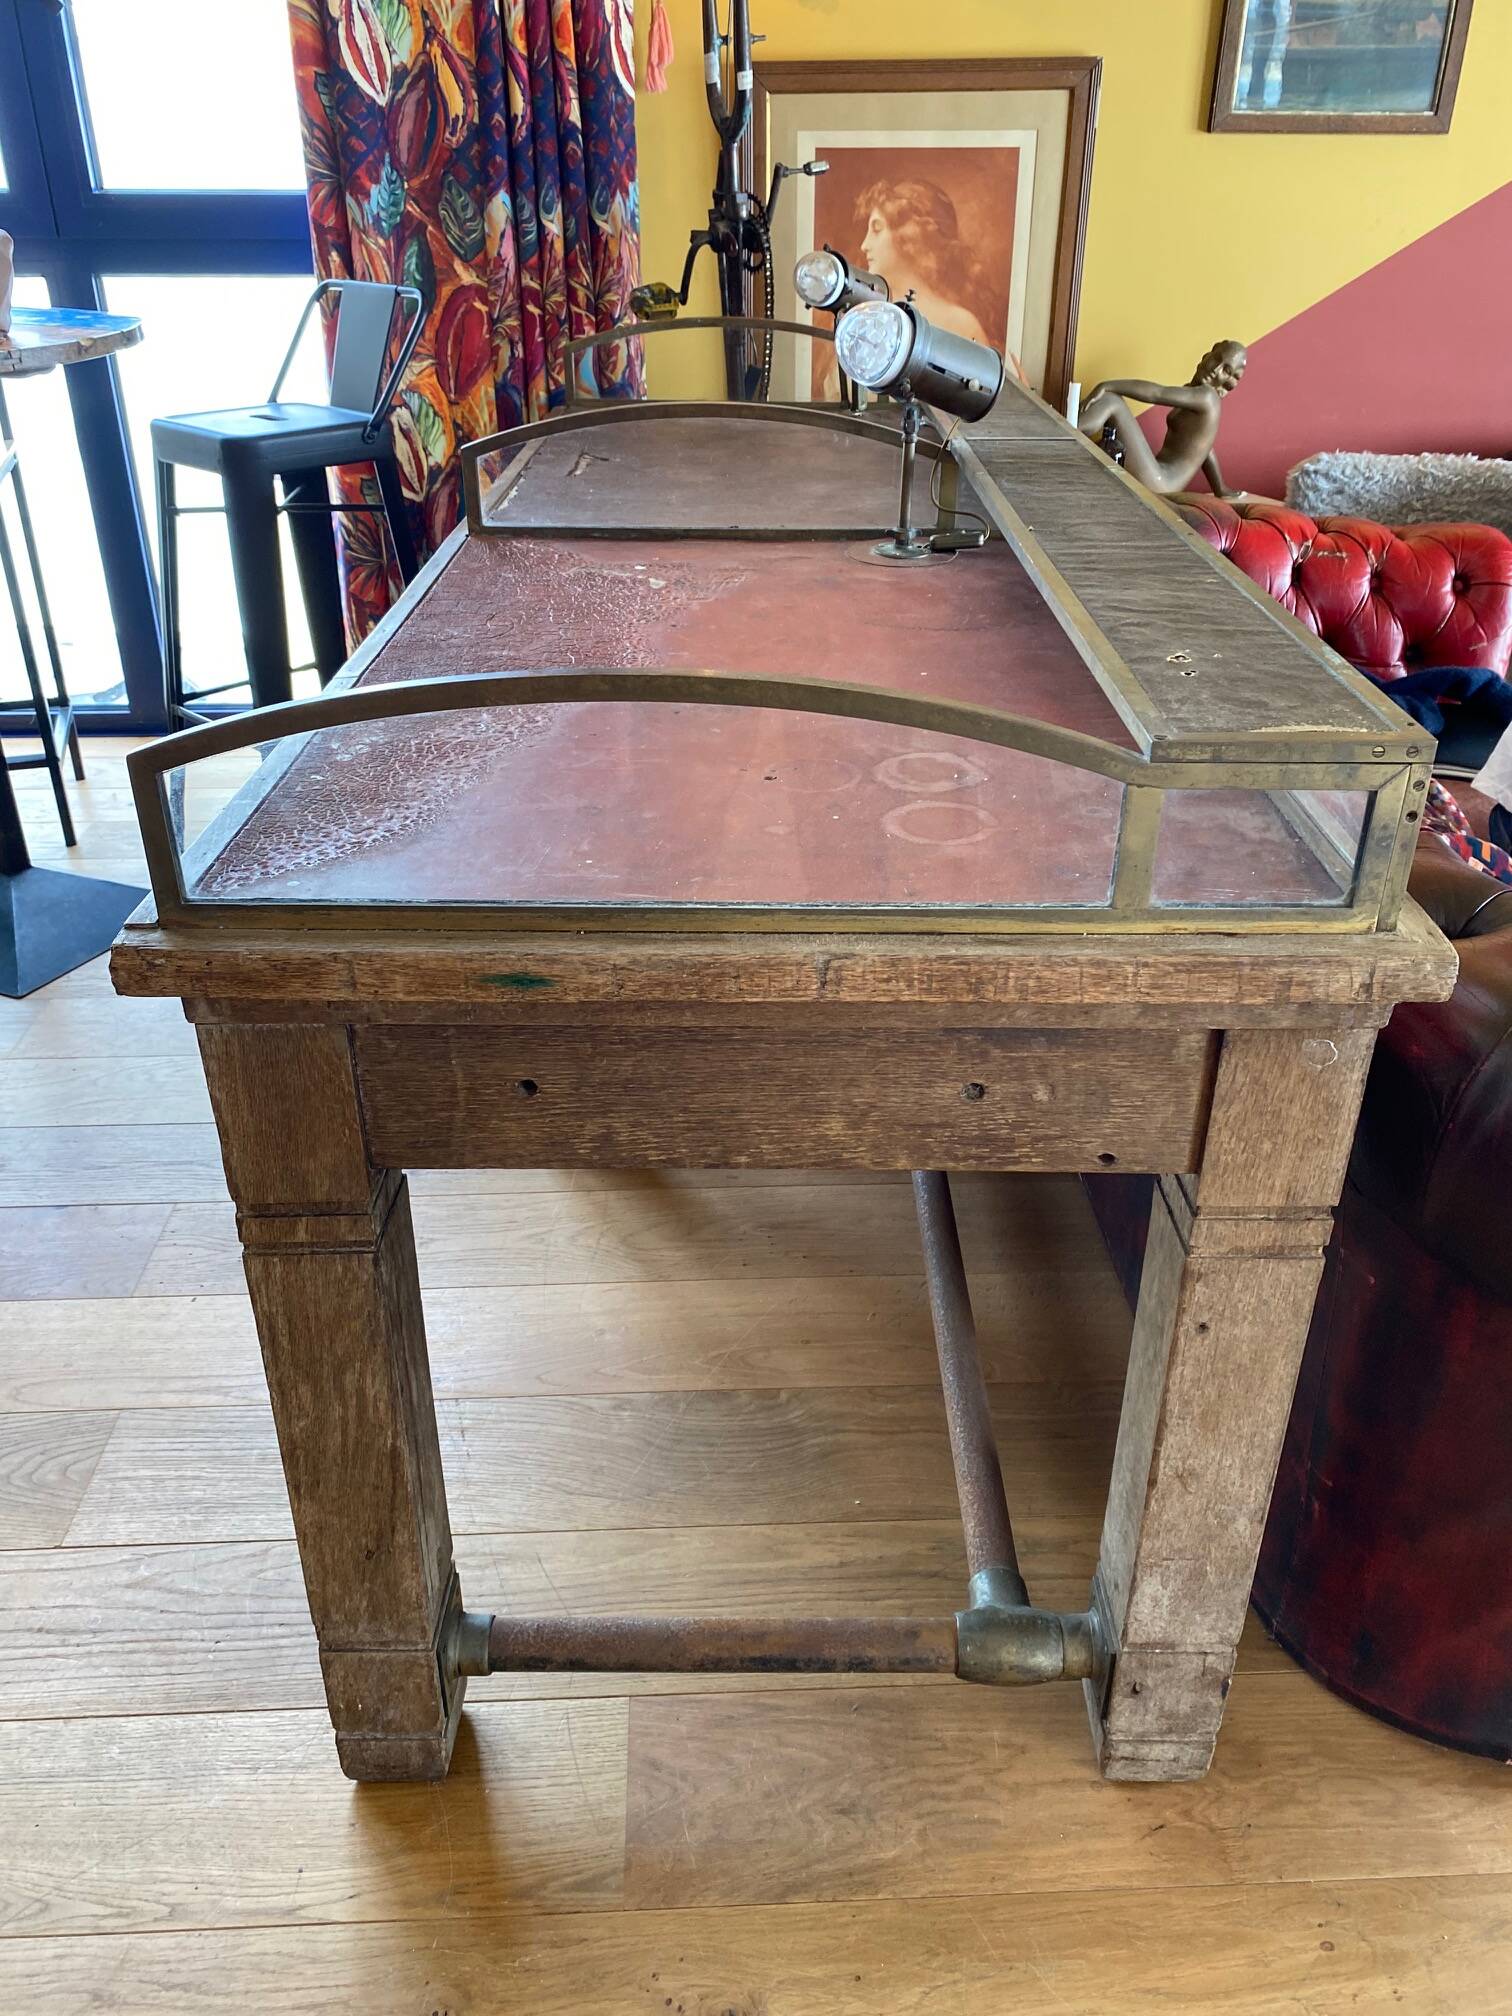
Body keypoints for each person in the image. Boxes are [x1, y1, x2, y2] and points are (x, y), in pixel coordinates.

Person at [1075, 341, 1249, 498]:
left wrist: (1106, 385)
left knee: (1112, 401)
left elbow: (1157, 393)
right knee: (1105, 433)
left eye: (1226, 370)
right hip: (1158, 475)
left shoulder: (1207, 396)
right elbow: (1206, 449)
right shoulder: (1195, 394)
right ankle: (1066, 430)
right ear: (1206, 357)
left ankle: (1062, 430)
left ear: (1230, 381)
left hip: (1162, 484)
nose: (1215, 369)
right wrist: (1220, 488)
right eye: (1216, 359)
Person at [854, 178, 1001, 346]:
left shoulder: (962, 325)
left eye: (877, 229)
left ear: (911, 237)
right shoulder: (867, 316)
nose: (864, 245)